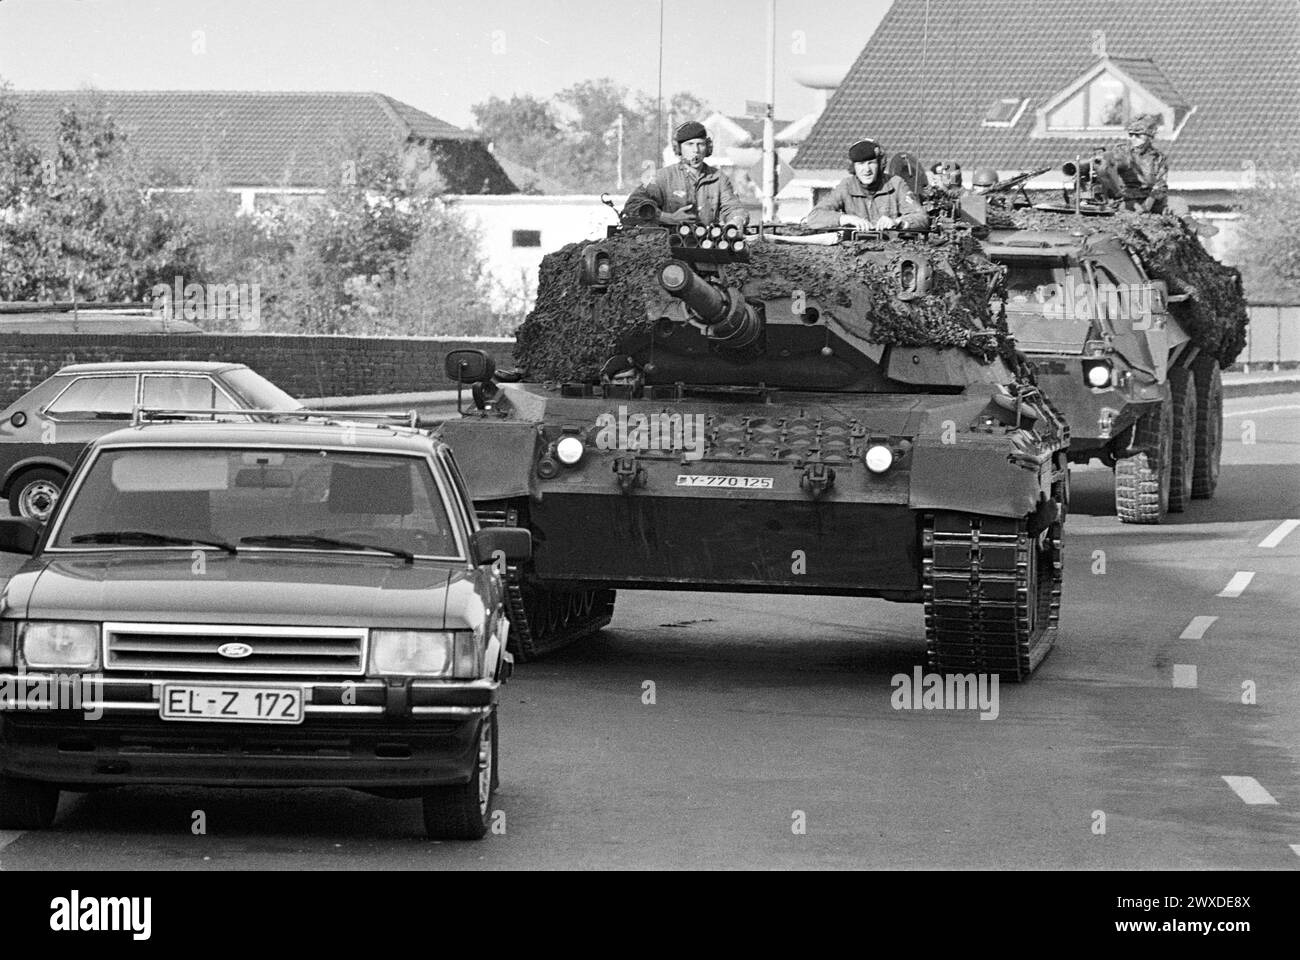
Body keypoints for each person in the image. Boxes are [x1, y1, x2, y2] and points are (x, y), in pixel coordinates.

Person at [622, 120, 749, 228]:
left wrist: (736, 221)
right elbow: (633, 204)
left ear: (708, 148)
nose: (696, 150)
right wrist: (666, 217)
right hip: (669, 243)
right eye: (690, 145)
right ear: (678, 149)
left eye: (700, 144)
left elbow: (733, 208)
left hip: (706, 243)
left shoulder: (719, 179)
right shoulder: (663, 177)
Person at [803, 138, 930, 231]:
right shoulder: (846, 186)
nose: (866, 170)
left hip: (892, 250)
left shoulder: (896, 184)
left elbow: (922, 218)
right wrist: (847, 219)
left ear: (880, 164)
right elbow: (814, 217)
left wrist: (897, 222)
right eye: (860, 164)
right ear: (853, 167)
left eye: (871, 163)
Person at [1107, 113, 1168, 213]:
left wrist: (1145, 207)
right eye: (1131, 135)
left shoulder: (1158, 158)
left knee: (1178, 205)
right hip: (1126, 200)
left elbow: (1160, 186)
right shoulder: (1121, 152)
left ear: (1149, 136)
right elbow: (1111, 165)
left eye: (1138, 135)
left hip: (1151, 201)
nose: (1133, 138)